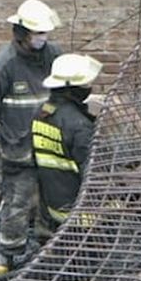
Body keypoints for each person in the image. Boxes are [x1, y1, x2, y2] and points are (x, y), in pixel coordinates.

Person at [0, 0, 63, 275]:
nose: (42, 39)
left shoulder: (53, 56)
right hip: (18, 148)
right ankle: (8, 254)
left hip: (49, 144)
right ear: (22, 32)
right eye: (38, 34)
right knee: (17, 203)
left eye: (45, 33)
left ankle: (48, 249)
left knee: (53, 200)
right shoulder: (4, 65)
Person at [31, 53, 102, 239]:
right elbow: (93, 175)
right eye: (85, 84)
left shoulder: (42, 112)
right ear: (72, 88)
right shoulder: (79, 126)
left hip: (51, 208)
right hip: (80, 217)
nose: (88, 87)